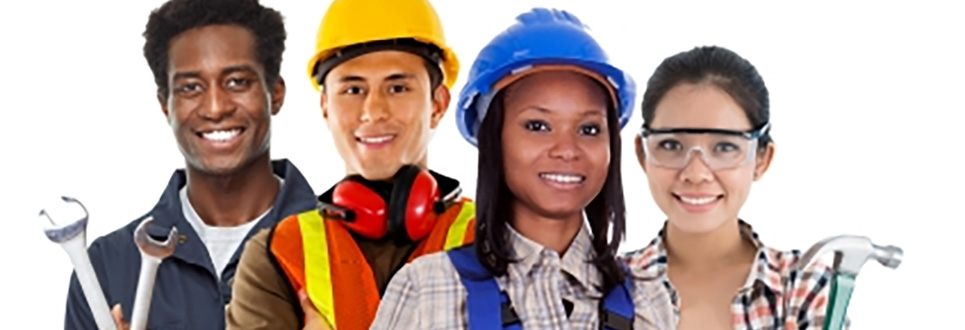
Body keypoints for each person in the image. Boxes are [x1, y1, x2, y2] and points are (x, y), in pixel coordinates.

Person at [371, 8, 676, 329]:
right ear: (493, 140)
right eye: (537, 125)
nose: (567, 150)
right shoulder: (428, 291)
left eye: (588, 129)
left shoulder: (646, 299)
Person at [63, 0, 319, 329]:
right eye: (190, 88)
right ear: (165, 105)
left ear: (276, 93)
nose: (215, 108)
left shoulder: (350, 248)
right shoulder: (107, 268)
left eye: (237, 82)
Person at [225, 0, 475, 329]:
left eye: (398, 87)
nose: (373, 111)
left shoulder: (493, 241)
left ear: (438, 104)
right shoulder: (278, 256)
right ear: (326, 107)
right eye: (353, 89)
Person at [622, 46, 841, 329]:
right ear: (643, 154)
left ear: (762, 159)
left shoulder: (803, 285)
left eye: (725, 147)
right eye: (672, 145)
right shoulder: (602, 288)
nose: (696, 174)